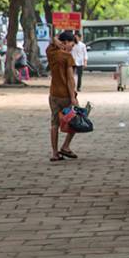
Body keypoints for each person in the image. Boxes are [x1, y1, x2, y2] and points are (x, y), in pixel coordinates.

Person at [47, 32, 79, 162]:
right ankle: (65, 146)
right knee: (76, 120)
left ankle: (55, 153)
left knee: (54, 123)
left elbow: (52, 39)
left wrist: (57, 41)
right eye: (72, 44)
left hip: (53, 94)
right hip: (65, 95)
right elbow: (70, 79)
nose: (72, 47)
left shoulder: (51, 52)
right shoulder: (67, 57)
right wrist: (73, 97)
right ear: (65, 42)